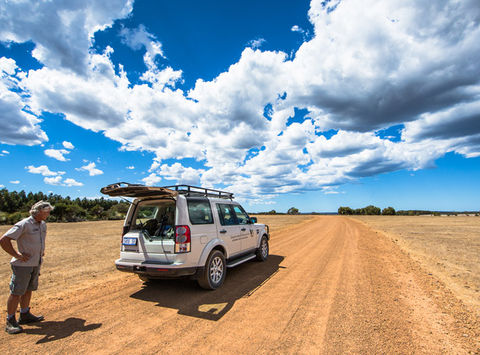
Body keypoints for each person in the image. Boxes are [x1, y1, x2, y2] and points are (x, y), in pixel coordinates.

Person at [0, 201, 54, 334]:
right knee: (17, 291)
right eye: (46, 211)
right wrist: (17, 255)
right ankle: (10, 320)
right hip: (22, 265)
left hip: (36, 263)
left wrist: (40, 251)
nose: (48, 213)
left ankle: (25, 314)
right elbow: (4, 240)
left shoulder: (43, 224)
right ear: (38, 211)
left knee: (28, 289)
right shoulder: (24, 224)